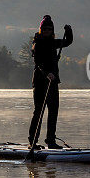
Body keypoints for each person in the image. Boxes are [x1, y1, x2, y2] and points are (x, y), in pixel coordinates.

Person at [28, 15, 73, 149]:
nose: (47, 30)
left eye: (49, 29)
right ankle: (33, 141)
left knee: (53, 111)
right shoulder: (37, 44)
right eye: (45, 28)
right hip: (40, 82)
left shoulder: (54, 43)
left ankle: (51, 141)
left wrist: (69, 31)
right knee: (39, 112)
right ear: (41, 30)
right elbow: (38, 62)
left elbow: (68, 42)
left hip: (53, 83)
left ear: (52, 30)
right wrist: (47, 74)